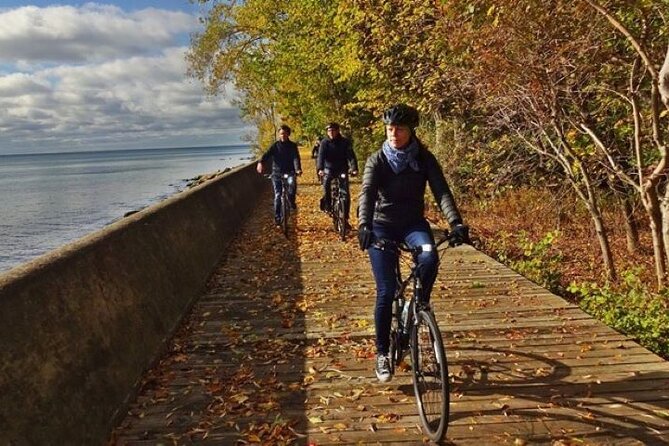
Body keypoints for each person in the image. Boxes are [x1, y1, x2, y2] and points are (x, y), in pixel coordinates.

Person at [357, 104, 470, 383]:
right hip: (382, 227)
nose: (394, 133)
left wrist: (455, 223)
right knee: (386, 291)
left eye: (400, 129)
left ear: (411, 131)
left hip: (413, 225)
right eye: (390, 129)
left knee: (430, 258)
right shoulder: (377, 160)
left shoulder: (424, 158)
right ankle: (382, 352)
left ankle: (418, 305)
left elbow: (442, 191)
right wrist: (364, 225)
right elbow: (368, 193)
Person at [256, 125, 302, 226]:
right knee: (278, 195)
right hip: (276, 173)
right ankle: (277, 217)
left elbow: (295, 158)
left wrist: (298, 169)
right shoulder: (275, 145)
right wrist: (260, 162)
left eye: (285, 133)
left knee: (292, 189)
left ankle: (291, 201)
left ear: (288, 134)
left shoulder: (292, 146)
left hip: (290, 172)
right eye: (281, 134)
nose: (283, 135)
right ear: (279, 134)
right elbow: (266, 154)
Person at [317, 123, 358, 221]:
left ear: (338, 131)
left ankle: (345, 218)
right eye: (329, 131)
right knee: (326, 186)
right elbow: (321, 157)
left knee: (345, 194)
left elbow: (351, 156)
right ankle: (328, 206)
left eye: (333, 130)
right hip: (328, 169)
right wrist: (320, 169)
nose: (331, 133)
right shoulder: (324, 143)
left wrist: (354, 168)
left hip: (342, 169)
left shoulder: (345, 142)